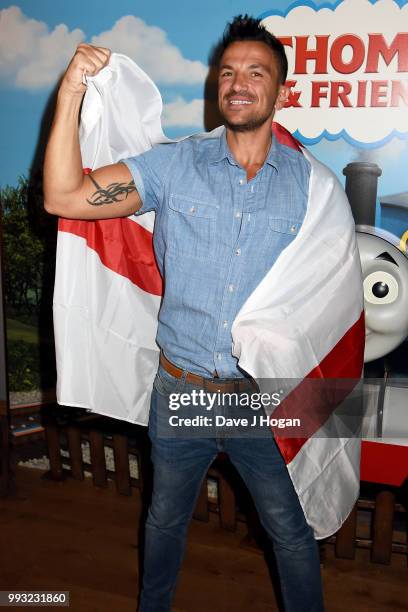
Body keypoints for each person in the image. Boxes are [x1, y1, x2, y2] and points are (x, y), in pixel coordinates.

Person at [44, 15, 326, 612]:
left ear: (282, 90)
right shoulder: (172, 166)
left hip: (261, 396)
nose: (239, 83)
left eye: (257, 72)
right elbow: (63, 196)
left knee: (291, 534)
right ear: (215, 87)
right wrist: (71, 91)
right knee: (165, 524)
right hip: (183, 389)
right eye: (227, 72)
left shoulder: (312, 188)